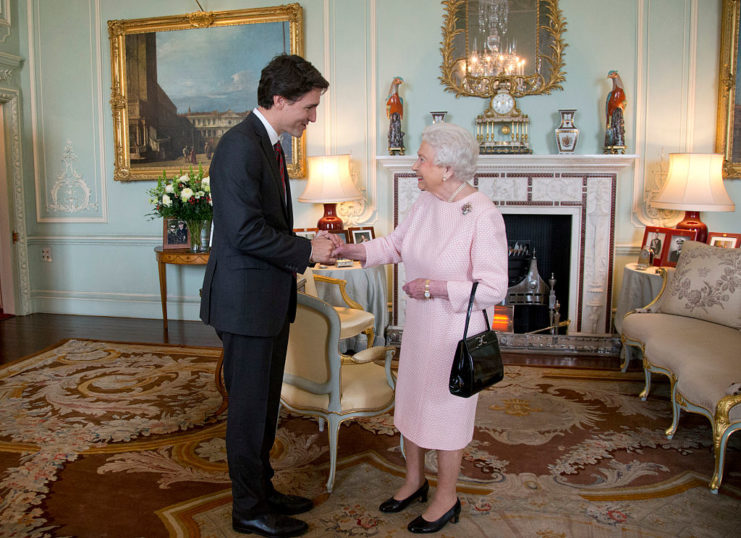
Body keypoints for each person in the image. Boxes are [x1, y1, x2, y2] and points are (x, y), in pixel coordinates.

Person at [332, 122, 508, 534]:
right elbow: (396, 245)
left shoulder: (482, 214)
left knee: (447, 413)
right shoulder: (426, 201)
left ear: (446, 168)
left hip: (455, 333)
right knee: (411, 404)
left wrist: (434, 287)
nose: (416, 165)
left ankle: (447, 497)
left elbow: (494, 286)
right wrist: (350, 249)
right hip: (421, 327)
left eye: (423, 159)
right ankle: (414, 480)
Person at [199, 54, 337, 537]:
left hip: (265, 300)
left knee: (263, 406)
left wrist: (303, 245)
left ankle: (264, 489)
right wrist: (308, 249)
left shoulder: (267, 143)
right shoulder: (240, 146)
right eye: (309, 106)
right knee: (249, 411)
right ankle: (248, 510)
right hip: (245, 303)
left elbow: (261, 224)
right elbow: (243, 232)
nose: (312, 117)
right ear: (279, 100)